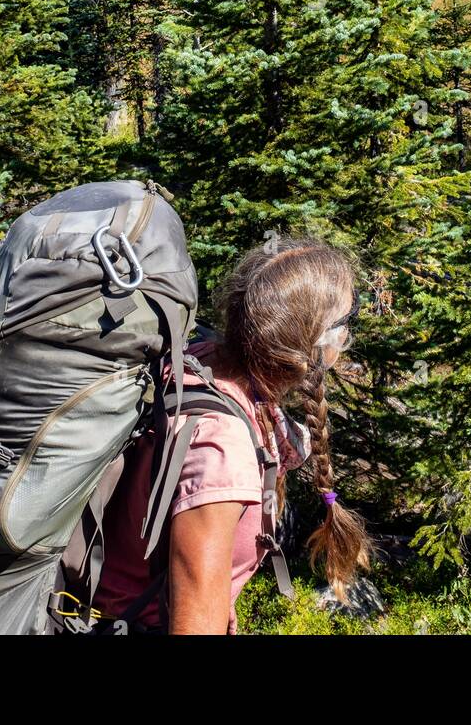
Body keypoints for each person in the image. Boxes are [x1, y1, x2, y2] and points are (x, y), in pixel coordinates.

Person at [92, 237, 374, 635]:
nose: (348, 335)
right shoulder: (224, 453)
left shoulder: (205, 361)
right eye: (347, 319)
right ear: (313, 342)